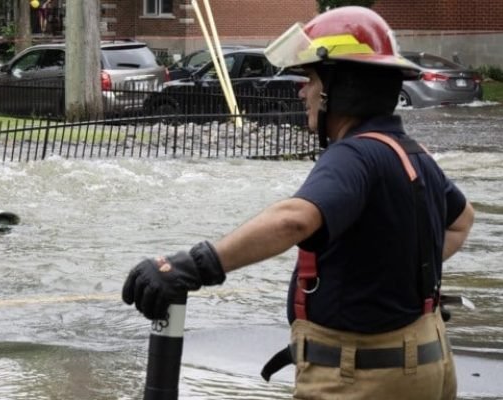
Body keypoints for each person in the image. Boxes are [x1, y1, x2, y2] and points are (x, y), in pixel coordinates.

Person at [120, 6, 474, 399]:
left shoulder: (352, 156)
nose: (302, 90)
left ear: (337, 88)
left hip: (363, 379)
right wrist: (392, 274)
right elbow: (461, 221)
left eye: (310, 78)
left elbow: (293, 220)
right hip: (426, 365)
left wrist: (195, 264)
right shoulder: (411, 154)